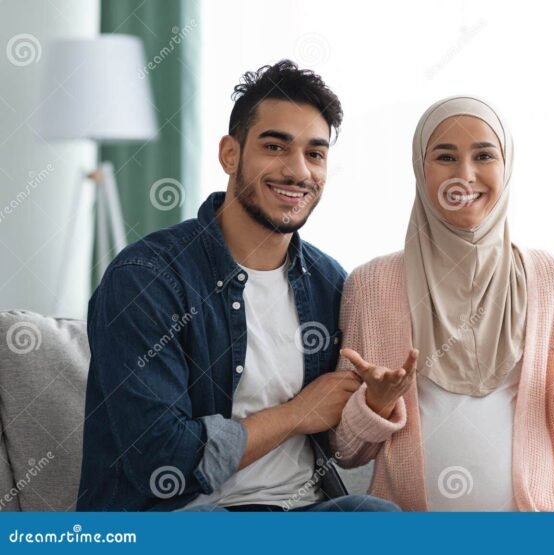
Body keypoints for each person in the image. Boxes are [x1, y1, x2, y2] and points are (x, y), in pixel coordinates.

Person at [77, 60, 398, 512]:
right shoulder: (146, 278)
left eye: (315, 154)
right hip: (182, 519)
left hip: (302, 512)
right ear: (230, 154)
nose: (298, 171)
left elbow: (339, 437)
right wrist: (297, 414)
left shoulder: (329, 283)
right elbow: (162, 462)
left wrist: (375, 405)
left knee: (377, 517)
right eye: (275, 146)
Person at [332, 96, 554, 511]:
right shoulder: (371, 284)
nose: (464, 176)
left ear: (507, 166)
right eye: (445, 157)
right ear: (420, 169)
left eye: (484, 156)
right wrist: (376, 402)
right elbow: (345, 451)